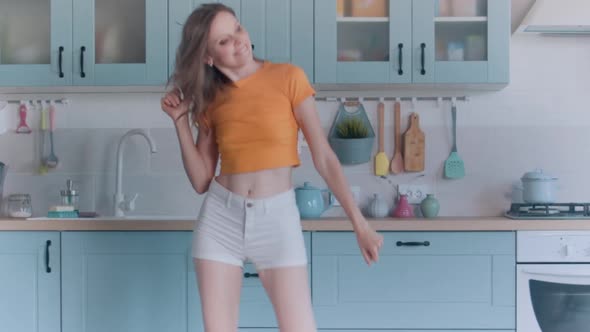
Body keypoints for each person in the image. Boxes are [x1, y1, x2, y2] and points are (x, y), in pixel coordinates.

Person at [160, 3, 384, 332]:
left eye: (237, 28)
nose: (238, 40)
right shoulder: (211, 99)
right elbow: (200, 180)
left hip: (277, 219)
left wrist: (359, 223)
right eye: (223, 41)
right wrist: (180, 122)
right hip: (221, 219)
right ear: (207, 57)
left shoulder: (289, 77)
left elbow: (324, 158)